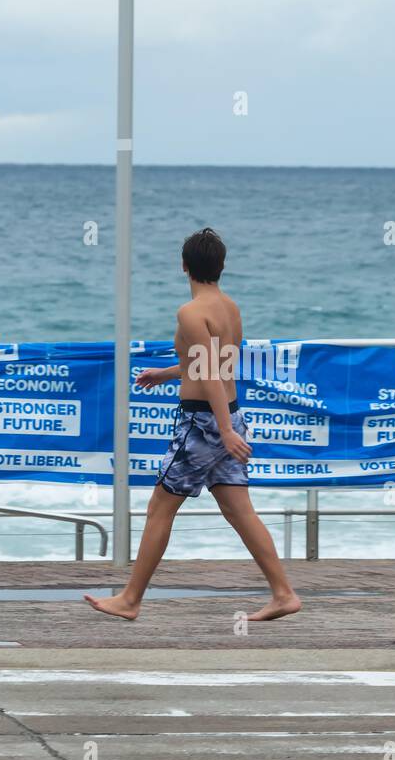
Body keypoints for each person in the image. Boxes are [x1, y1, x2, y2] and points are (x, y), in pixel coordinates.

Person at [85, 228, 301, 622]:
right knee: (239, 511)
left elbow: (211, 374)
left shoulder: (190, 312)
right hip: (229, 415)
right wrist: (168, 374)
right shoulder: (230, 308)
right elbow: (213, 363)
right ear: (221, 267)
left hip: (203, 424)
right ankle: (283, 593)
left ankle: (131, 599)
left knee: (159, 509)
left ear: (184, 266)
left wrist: (224, 430)